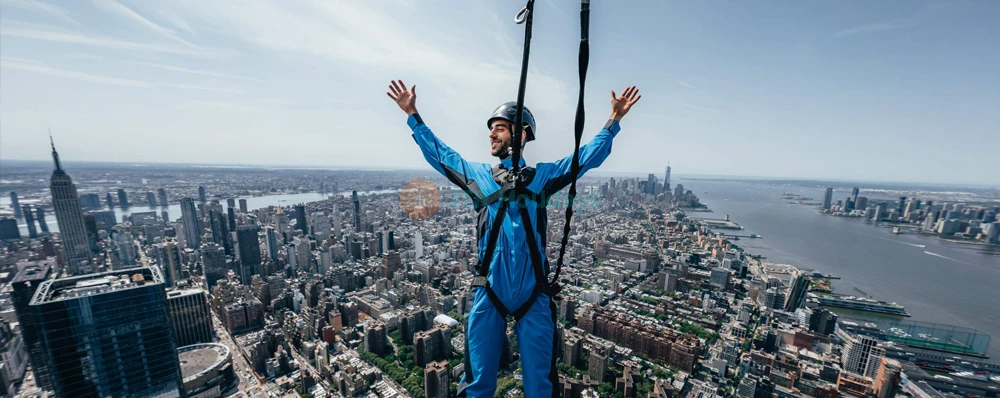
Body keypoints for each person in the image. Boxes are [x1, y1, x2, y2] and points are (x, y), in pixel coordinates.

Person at [387, 79, 641, 397]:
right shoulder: (480, 176)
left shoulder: (542, 178)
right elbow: (442, 156)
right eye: (491, 128)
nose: (491, 134)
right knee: (478, 385)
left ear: (520, 135)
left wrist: (613, 120)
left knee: (540, 387)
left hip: (533, 295)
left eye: (499, 128)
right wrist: (413, 114)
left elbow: (585, 158)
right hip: (489, 292)